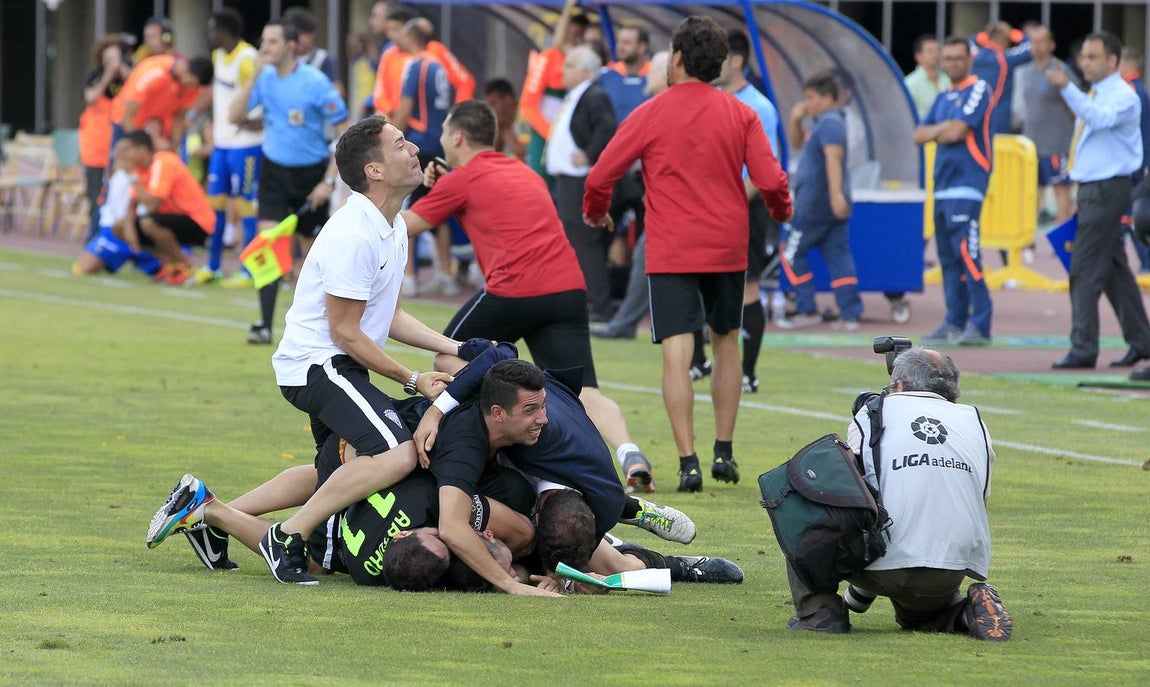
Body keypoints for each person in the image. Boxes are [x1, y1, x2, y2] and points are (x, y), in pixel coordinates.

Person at [403, 100, 658, 493]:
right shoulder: (522, 170)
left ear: (456, 137)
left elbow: (405, 227)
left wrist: (386, 198)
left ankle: (504, 433)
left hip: (515, 289)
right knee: (583, 389)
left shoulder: (461, 179)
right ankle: (628, 451)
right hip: (568, 289)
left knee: (446, 355)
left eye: (443, 134)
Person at [582, 16, 792, 493]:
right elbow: (772, 179)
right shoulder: (742, 113)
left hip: (672, 248)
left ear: (676, 58)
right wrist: (782, 211)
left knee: (677, 353)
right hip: (726, 246)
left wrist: (597, 214)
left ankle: (688, 461)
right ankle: (724, 449)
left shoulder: (652, 111)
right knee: (725, 340)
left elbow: (601, 176)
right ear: (720, 64)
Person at [257, 115, 462, 585]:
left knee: (336, 468)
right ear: (374, 170)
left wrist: (456, 346)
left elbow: (388, 316)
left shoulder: (393, 227)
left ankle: (209, 513)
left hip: (343, 366)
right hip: (319, 366)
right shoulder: (354, 232)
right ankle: (285, 536)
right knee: (396, 452)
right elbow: (346, 332)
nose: (415, 150)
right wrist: (413, 379)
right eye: (400, 144)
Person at [414, 353, 694, 595]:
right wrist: (436, 411)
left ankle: (676, 562)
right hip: (536, 465)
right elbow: (496, 353)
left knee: (597, 554)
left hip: (590, 489)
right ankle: (639, 523)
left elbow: (454, 527)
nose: (542, 418)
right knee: (533, 521)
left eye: (540, 407)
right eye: (531, 409)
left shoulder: (553, 444)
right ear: (498, 412)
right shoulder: (468, 439)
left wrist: (566, 573)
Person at [785, 348, 1012, 641]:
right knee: (921, 617)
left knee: (802, 495)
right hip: (950, 568)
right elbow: (980, 498)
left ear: (901, 385)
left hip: (886, 563)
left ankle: (820, 613)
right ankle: (966, 612)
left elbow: (851, 497)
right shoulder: (975, 421)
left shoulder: (872, 414)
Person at [228, 19, 350, 345]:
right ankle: (265, 325)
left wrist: (328, 181)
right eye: (263, 41)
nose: (264, 47)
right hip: (273, 172)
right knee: (268, 246)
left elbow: (345, 132)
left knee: (314, 258)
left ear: (291, 45)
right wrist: (254, 72)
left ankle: (322, 330)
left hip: (311, 175)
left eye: (271, 42)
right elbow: (233, 116)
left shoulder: (315, 82)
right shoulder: (264, 78)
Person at [1046, 32, 1150, 371]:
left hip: (1107, 188)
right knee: (1114, 271)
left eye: (1093, 57)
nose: (1084, 63)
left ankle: (1083, 347)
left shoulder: (1123, 96)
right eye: (1083, 57)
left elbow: (1099, 119)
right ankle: (1142, 341)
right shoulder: (1096, 94)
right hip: (1095, 188)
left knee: (1084, 269)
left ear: (1113, 61)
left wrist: (1067, 87)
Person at [706, 29, 782, 394]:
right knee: (711, 288)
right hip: (714, 207)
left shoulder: (759, 106)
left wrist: (731, 199)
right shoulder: (715, 99)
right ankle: (708, 363)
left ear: (735, 60)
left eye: (719, 57)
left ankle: (748, 372)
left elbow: (764, 169)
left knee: (747, 288)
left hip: (746, 206)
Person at [915, 37, 994, 347]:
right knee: (948, 257)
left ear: (969, 60)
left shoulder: (978, 89)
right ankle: (954, 320)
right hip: (943, 188)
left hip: (968, 184)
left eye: (958, 58)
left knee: (968, 253)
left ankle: (981, 322)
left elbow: (958, 131)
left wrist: (944, 129)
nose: (952, 64)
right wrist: (941, 130)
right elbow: (918, 134)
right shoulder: (943, 96)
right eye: (947, 59)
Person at [589, 50, 670, 342]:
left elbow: (607, 167)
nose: (647, 75)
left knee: (645, 255)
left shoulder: (654, 111)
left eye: (654, 71)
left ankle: (624, 324)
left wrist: (594, 206)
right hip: (673, 205)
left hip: (669, 209)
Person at [779, 71, 863, 331]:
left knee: (791, 252)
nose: (808, 103)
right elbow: (796, 142)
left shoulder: (829, 123)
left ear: (828, 97)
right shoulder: (823, 123)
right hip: (825, 204)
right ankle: (849, 313)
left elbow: (833, 157)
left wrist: (837, 193)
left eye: (812, 98)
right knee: (837, 255)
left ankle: (806, 308)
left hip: (815, 203)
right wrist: (795, 120)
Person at [546, 45, 618, 323]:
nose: (563, 71)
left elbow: (607, 127)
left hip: (578, 180)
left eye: (569, 65)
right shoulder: (577, 95)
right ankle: (586, 300)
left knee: (584, 242)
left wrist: (589, 154)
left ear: (586, 71)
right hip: (566, 179)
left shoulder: (594, 95)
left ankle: (599, 305)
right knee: (573, 241)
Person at [196, 9, 263, 287]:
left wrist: (256, 121)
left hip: (245, 145)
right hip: (222, 145)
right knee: (216, 205)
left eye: (213, 29)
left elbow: (260, 93)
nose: (210, 35)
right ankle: (213, 266)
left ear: (223, 31)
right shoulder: (218, 57)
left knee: (246, 206)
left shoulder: (248, 58)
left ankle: (249, 270)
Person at [392, 18, 457, 298]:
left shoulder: (417, 64)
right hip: (439, 144)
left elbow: (406, 106)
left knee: (407, 210)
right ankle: (445, 274)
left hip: (418, 145)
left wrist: (394, 138)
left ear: (411, 36)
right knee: (435, 211)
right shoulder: (440, 65)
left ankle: (408, 278)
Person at [118, 130, 216, 285]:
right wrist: (130, 234)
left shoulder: (163, 162)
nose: (125, 156)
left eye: (128, 150)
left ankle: (184, 267)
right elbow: (132, 206)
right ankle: (171, 264)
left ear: (143, 149)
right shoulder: (139, 171)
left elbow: (152, 204)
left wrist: (132, 178)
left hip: (198, 221)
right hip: (170, 221)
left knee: (148, 223)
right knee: (119, 226)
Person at [1012, 26, 1077, 227]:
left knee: (1060, 189)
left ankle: (1063, 237)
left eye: (1041, 41)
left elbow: (1076, 105)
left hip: (1056, 144)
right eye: (1033, 41)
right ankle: (1029, 237)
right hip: (1031, 144)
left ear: (1051, 45)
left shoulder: (1059, 70)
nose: (1037, 46)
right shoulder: (1025, 72)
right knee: (1032, 191)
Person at [73, 140, 162, 278]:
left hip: (126, 230)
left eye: (126, 149)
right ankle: (123, 257)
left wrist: (133, 177)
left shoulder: (143, 175)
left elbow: (146, 204)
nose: (120, 154)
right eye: (118, 149)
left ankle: (139, 255)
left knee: (82, 268)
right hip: (110, 229)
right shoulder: (116, 173)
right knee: (81, 268)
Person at [520, 0, 588, 180]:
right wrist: (550, 133)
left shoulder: (587, 63)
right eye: (572, 32)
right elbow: (528, 104)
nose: (576, 39)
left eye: (581, 35)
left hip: (572, 138)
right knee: (541, 183)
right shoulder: (548, 58)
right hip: (545, 135)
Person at [79, 35, 133, 242]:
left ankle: (113, 238)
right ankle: (94, 238)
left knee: (118, 195)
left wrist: (122, 71)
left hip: (121, 148)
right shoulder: (96, 77)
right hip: (95, 148)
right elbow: (91, 97)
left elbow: (137, 91)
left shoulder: (129, 78)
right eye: (107, 57)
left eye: (115, 57)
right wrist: (108, 75)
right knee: (96, 195)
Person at [110, 52, 212, 153]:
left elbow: (179, 116)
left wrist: (174, 145)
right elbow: (128, 114)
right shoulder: (154, 73)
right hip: (126, 123)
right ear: (186, 69)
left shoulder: (193, 87)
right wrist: (143, 144)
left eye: (194, 86)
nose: (191, 88)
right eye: (190, 83)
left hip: (154, 128)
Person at [972, 21, 1032, 138]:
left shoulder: (975, 56)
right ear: (1006, 39)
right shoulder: (1005, 58)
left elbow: (969, 42)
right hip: (998, 120)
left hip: (975, 117)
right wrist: (1012, 33)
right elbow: (1032, 46)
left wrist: (984, 34)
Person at [1119, 49, 1150, 273]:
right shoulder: (1140, 90)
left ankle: (1145, 260)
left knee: (1128, 214)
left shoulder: (1130, 91)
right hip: (1138, 160)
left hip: (1133, 162)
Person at [282, 7, 344, 99]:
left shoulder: (323, 59)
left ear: (312, 34)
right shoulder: (282, 60)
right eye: (294, 34)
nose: (298, 38)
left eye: (302, 33)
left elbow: (338, 91)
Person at [905, 35, 950, 121]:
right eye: (930, 51)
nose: (935, 55)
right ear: (918, 56)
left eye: (938, 51)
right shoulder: (910, 83)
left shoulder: (947, 79)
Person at [483, 78, 528, 160]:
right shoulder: (497, 124)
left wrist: (508, 135)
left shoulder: (526, 115)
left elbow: (528, 156)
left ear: (508, 100)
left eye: (493, 103)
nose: (490, 110)